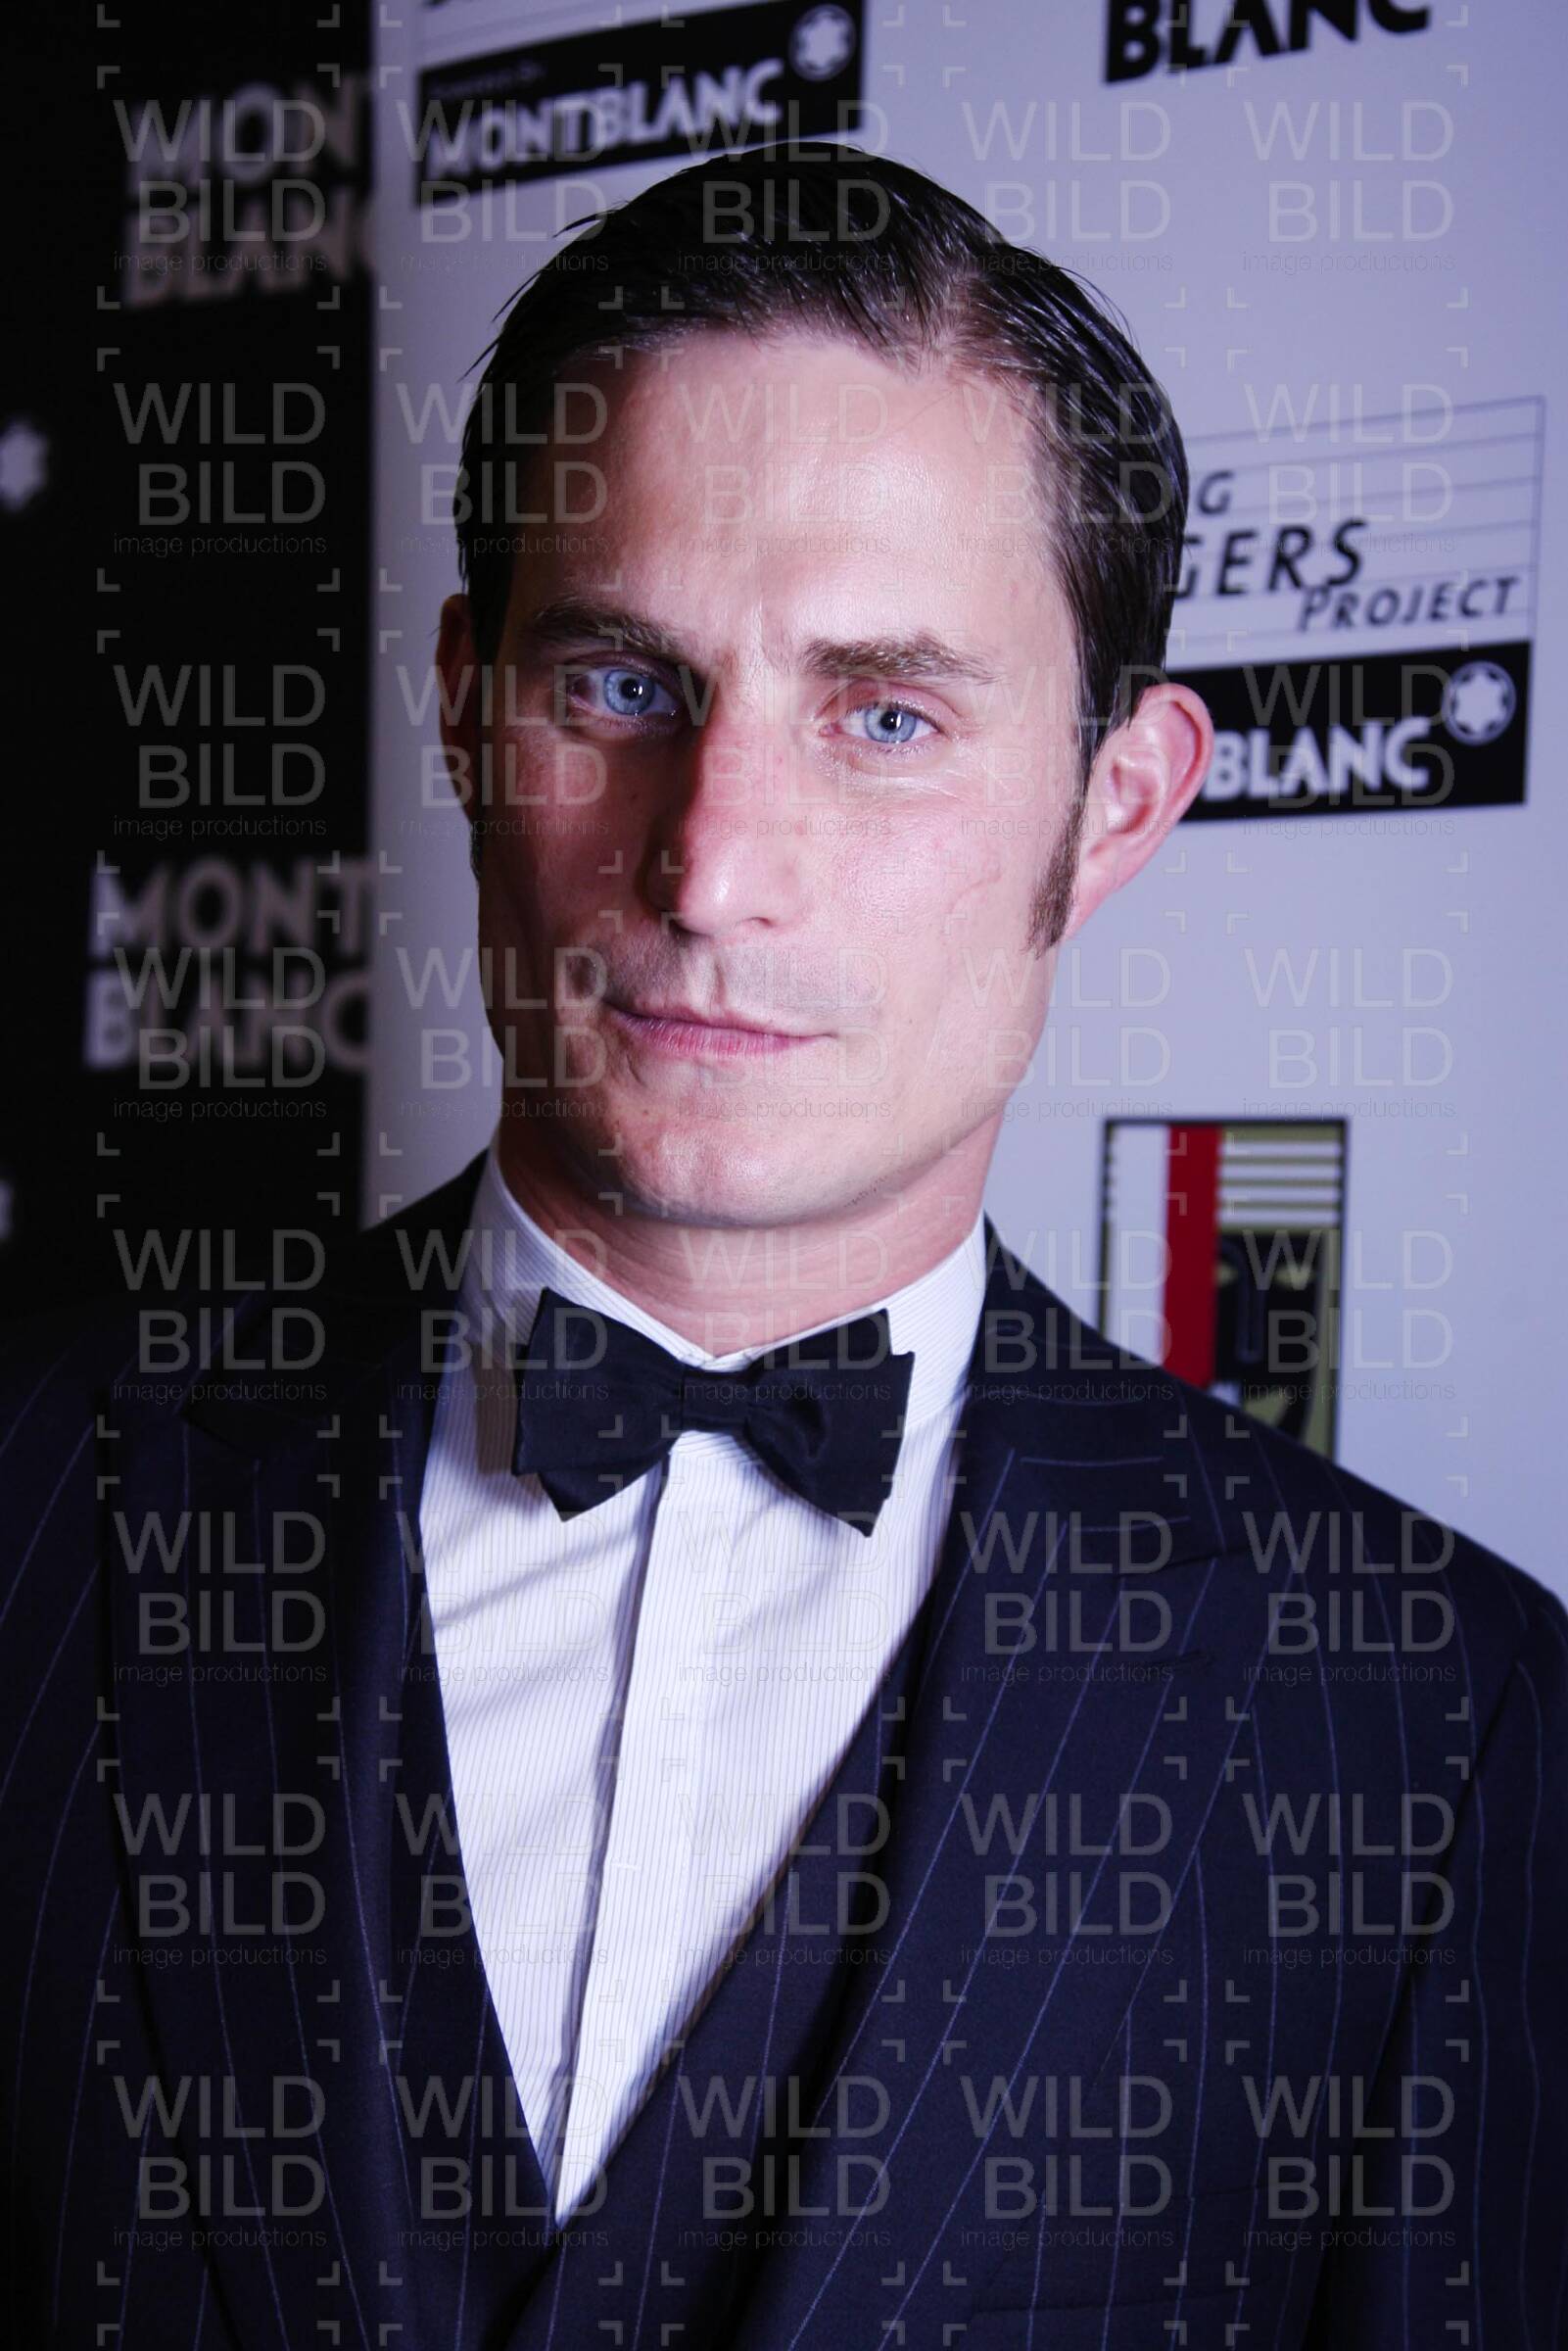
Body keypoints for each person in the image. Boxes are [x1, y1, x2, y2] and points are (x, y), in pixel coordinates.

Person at [4, 144, 1563, 2351]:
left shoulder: (1434, 1722)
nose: (715, 864)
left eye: (886, 715)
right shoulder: (31, 1488)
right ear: (462, 705)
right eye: (621, 685)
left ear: (1117, 800)